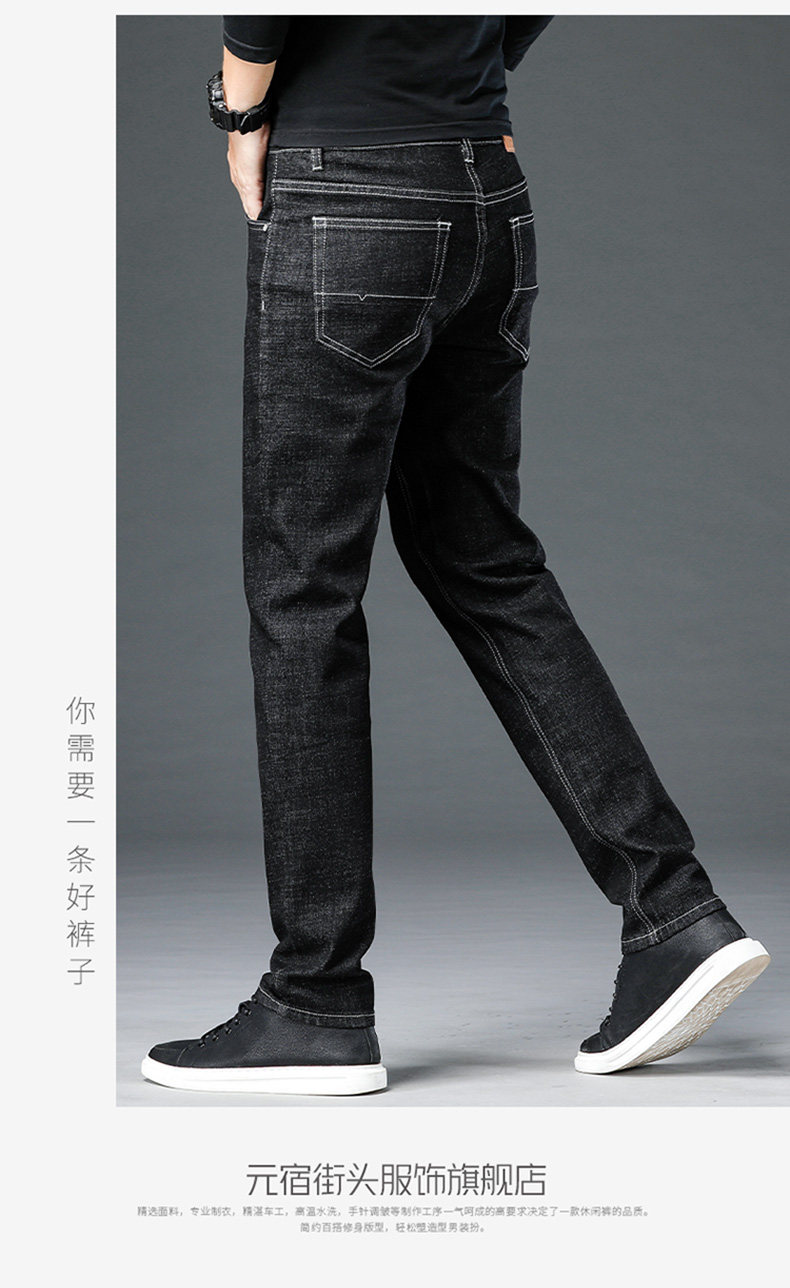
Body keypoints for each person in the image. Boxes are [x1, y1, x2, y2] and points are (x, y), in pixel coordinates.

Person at [141, 16, 769, 1095]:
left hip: (349, 189)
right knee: (486, 560)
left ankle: (315, 1001)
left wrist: (241, 111)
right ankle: (673, 910)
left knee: (303, 591)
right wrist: (471, 71)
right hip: (486, 195)